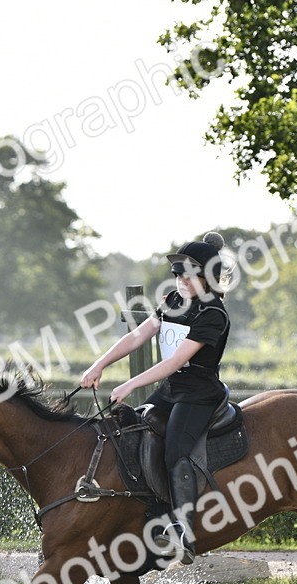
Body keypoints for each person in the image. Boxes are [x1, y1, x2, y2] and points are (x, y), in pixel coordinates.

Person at [79, 232, 231, 564]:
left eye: (187, 275)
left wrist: (131, 384)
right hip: (170, 391)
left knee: (176, 449)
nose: (179, 280)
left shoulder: (213, 314)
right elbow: (138, 335)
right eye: (177, 274)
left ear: (207, 277)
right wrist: (99, 364)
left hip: (198, 396)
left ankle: (183, 532)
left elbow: (176, 361)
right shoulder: (173, 301)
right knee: (131, 432)